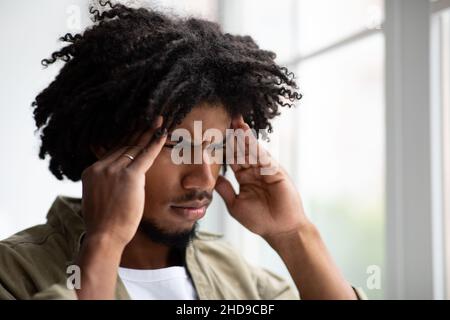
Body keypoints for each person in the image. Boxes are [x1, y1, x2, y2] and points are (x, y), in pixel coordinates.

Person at [0, 1, 365, 300]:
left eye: (217, 145)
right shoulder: (12, 271)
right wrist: (106, 242)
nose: (204, 178)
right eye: (176, 145)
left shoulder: (233, 273)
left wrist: (293, 234)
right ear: (105, 145)